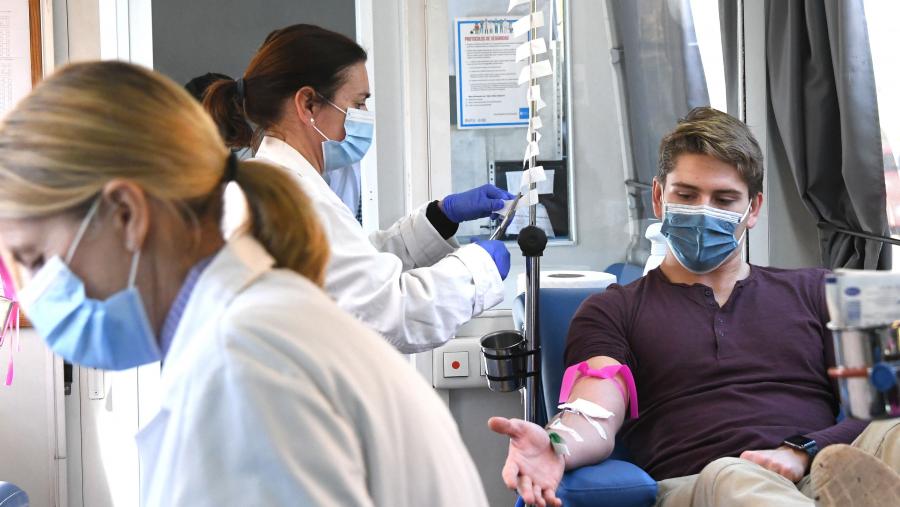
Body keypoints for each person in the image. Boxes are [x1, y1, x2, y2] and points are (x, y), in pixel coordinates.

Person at [0, 61, 489, 506]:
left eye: (35, 258)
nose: (32, 296)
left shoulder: (241, 371)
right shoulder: (250, 326)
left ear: (127, 215)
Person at [488, 107, 900, 507]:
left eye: (724, 199)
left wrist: (804, 451)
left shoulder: (818, 291)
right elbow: (594, 411)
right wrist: (558, 444)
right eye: (687, 195)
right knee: (734, 475)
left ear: (752, 209)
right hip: (708, 484)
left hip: (818, 466)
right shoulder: (612, 311)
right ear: (658, 197)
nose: (705, 211)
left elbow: (882, 404)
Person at [203, 24, 513, 353]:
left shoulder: (277, 183)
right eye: (358, 103)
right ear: (307, 104)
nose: (364, 116)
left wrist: (438, 218)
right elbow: (390, 314)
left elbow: (355, 271)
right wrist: (478, 270)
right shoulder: (287, 198)